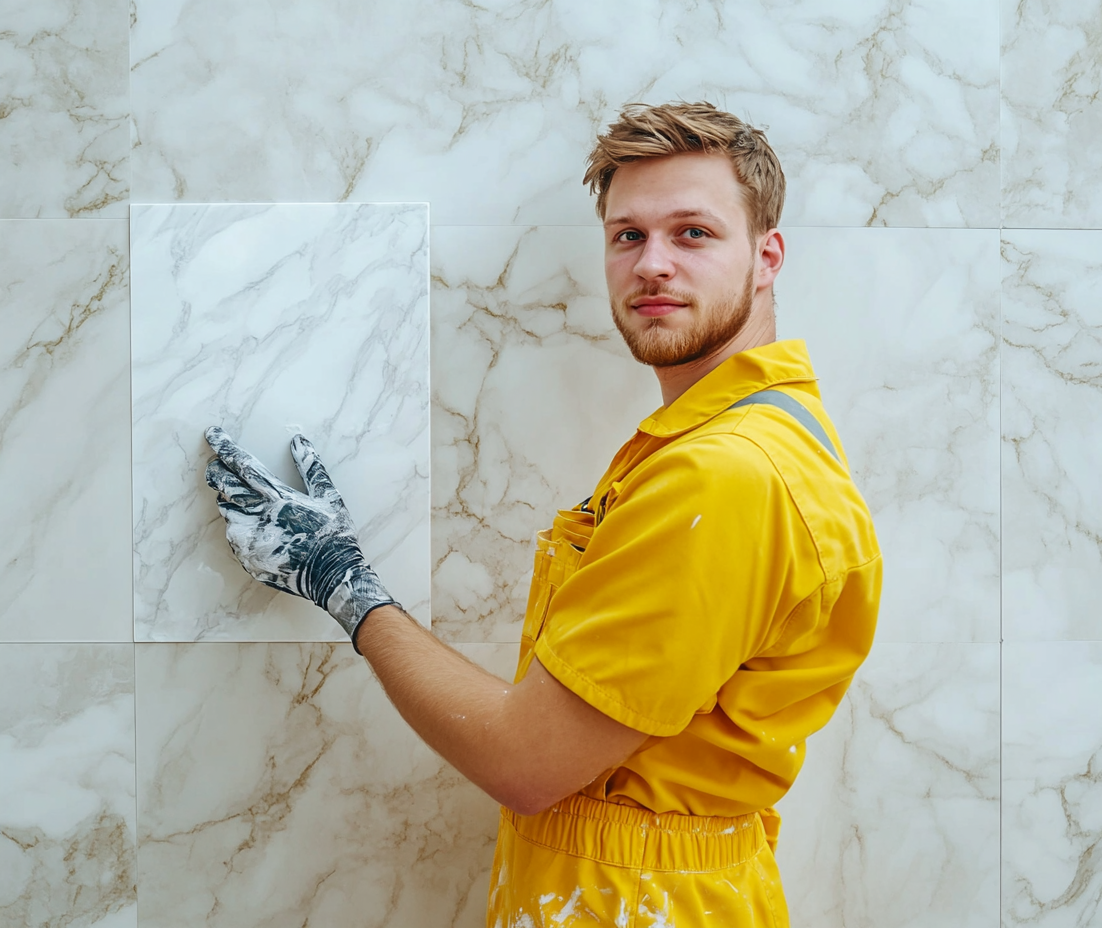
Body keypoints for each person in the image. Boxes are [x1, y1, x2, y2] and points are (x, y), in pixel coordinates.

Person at [204, 101, 881, 927]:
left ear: (766, 256)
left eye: (694, 233)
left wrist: (341, 580)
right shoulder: (744, 438)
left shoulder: (726, 475)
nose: (652, 264)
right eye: (628, 236)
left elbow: (525, 762)